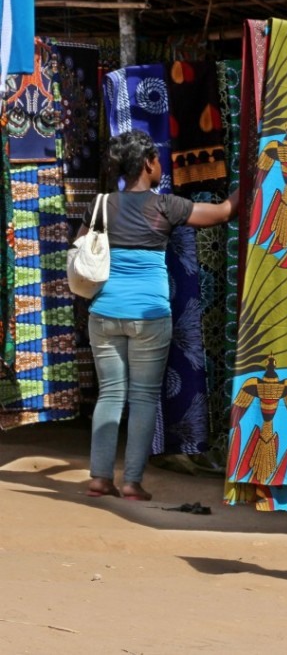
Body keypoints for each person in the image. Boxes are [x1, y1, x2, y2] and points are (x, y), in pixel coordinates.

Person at [83, 130, 238, 501]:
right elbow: (222, 213)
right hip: (150, 316)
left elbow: (84, 252)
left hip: (103, 311)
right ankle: (132, 483)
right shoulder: (166, 206)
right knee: (143, 398)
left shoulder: (101, 205)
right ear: (150, 163)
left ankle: (100, 479)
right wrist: (253, 180)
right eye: (158, 162)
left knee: (110, 395)